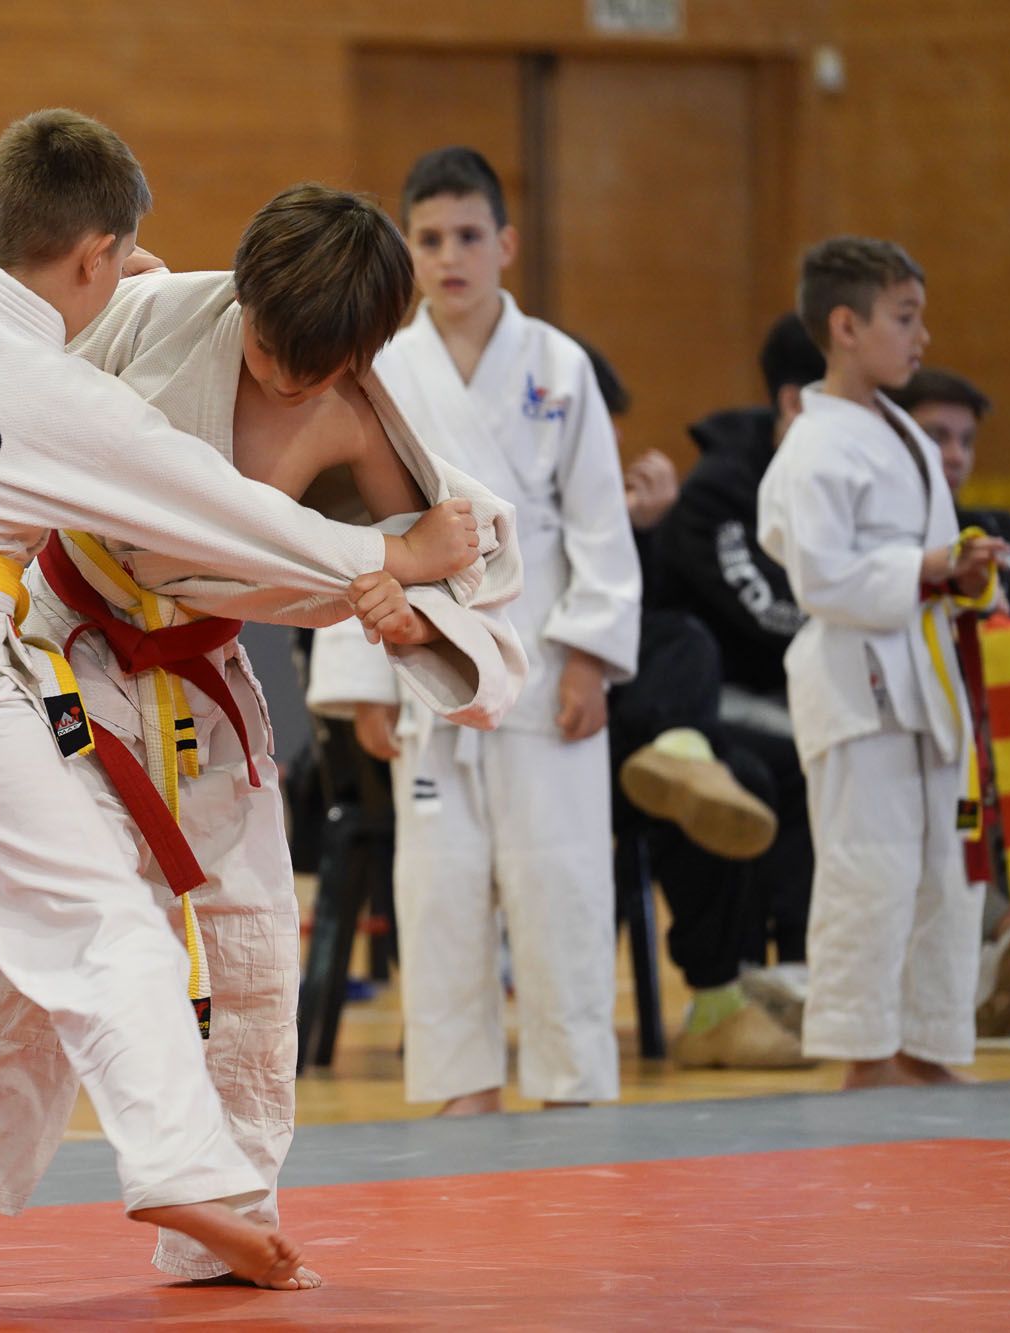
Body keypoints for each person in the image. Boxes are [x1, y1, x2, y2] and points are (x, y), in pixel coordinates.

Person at [0, 110, 478, 1310]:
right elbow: (215, 508)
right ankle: (178, 1168)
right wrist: (390, 556)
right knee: (98, 933)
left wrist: (89, 289)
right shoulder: (69, 404)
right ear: (100, 254)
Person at [310, 148, 641, 1114]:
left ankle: (573, 1089)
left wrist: (590, 655)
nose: (450, 256)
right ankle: (461, 1096)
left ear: (506, 243)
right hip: (428, 659)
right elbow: (357, 534)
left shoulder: (559, 368)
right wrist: (366, 684)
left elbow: (599, 529)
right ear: (407, 252)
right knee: (441, 891)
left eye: (467, 236)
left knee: (563, 887)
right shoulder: (384, 372)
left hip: (545, 669)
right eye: (429, 239)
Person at [757, 236, 1006, 1089]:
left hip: (924, 680)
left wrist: (961, 569)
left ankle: (928, 1045)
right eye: (905, 318)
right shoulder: (815, 446)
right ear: (846, 326)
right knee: (870, 872)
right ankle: (864, 1056)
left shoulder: (895, 427)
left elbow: (920, 554)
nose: (922, 337)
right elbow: (821, 577)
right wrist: (931, 568)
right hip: (857, 687)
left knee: (943, 871)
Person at [564, 341, 807, 1069]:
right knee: (682, 641)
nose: (608, 442)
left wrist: (645, 532)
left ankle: (716, 1005)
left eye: (611, 424)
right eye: (591, 422)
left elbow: (632, 624)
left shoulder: (618, 510)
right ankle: (683, 754)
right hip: (537, 735)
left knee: (737, 779)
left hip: (614, 742)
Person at [647, 314, 829, 1038]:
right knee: (798, 753)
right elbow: (760, 611)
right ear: (794, 401)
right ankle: (784, 965)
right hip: (706, 689)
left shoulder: (844, 474)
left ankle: (828, 961)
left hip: (792, 688)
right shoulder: (721, 488)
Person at [889, 368, 1010, 621]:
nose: (957, 457)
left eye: (966, 441)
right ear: (890, 439)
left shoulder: (1009, 536)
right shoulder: (867, 540)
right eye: (936, 437)